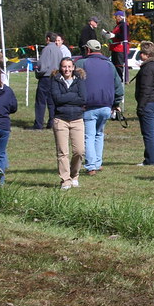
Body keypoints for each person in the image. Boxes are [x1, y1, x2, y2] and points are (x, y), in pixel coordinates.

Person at [76, 39, 122, 175]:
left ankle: (91, 166)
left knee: (89, 136)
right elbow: (118, 86)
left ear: (88, 50)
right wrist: (116, 103)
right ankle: (97, 162)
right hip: (106, 106)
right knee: (99, 134)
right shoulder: (109, 64)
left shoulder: (81, 63)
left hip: (89, 106)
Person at [50, 57, 86, 190]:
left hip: (77, 119)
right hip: (61, 119)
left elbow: (83, 98)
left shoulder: (79, 80)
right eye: (64, 66)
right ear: (61, 67)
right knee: (62, 152)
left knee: (79, 151)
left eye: (69, 66)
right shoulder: (55, 80)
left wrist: (66, 97)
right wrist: (73, 96)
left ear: (73, 67)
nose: (67, 69)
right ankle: (65, 180)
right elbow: (57, 99)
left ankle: (74, 175)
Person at [135, 41, 154, 166]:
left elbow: (145, 89)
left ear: (146, 54)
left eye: (142, 52)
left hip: (149, 102)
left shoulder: (147, 68)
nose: (140, 55)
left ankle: (151, 160)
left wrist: (141, 106)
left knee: (148, 133)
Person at [33, 32, 69, 130]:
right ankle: (52, 122)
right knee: (52, 102)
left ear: (48, 39)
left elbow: (43, 66)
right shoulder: (59, 50)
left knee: (41, 102)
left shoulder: (47, 49)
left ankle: (38, 124)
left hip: (46, 77)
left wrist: (38, 72)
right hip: (55, 77)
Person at [104, 10, 130, 77]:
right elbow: (114, 37)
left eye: (116, 16)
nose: (115, 18)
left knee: (119, 65)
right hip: (115, 48)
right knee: (114, 65)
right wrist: (109, 35)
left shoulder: (124, 25)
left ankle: (120, 79)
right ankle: (116, 78)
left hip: (120, 49)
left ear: (120, 17)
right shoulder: (118, 26)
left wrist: (114, 35)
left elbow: (124, 36)